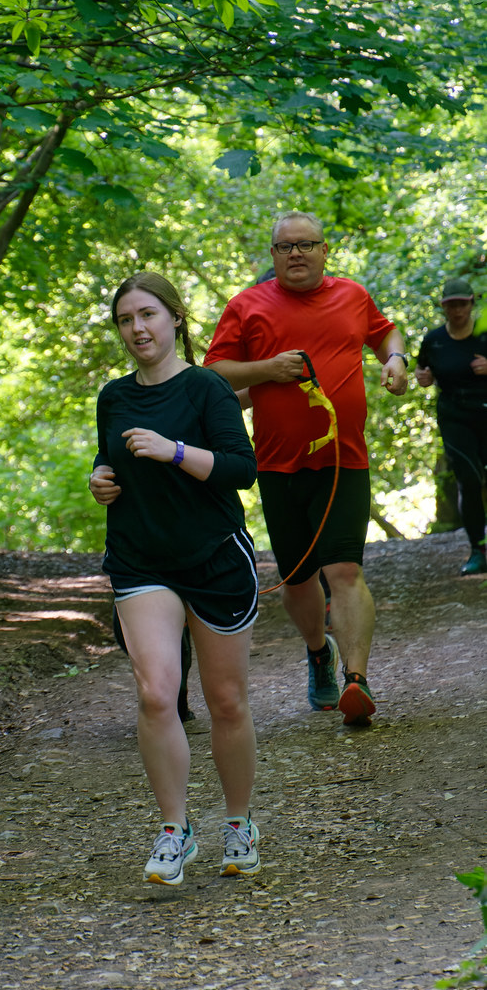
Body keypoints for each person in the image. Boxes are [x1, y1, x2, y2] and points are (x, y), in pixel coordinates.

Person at [89, 271, 261, 886]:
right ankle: (174, 828)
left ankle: (238, 821)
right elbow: (107, 460)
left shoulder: (207, 387)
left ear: (175, 319)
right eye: (126, 319)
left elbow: (242, 469)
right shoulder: (113, 395)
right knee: (157, 694)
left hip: (214, 557)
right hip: (140, 560)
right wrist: (101, 479)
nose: (137, 328)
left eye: (148, 315)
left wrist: (175, 452)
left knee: (225, 700)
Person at [205, 210, 409, 726]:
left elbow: (387, 334)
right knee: (298, 582)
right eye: (285, 247)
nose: (296, 253)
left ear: (324, 250)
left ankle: (355, 679)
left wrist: (395, 360)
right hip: (276, 464)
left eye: (306, 244)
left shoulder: (352, 296)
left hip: (344, 459)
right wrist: (268, 369)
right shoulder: (246, 306)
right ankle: (319, 652)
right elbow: (214, 376)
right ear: (272, 256)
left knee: (343, 569)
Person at [415, 278, 487, 575]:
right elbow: (421, 368)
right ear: (443, 307)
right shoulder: (434, 340)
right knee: (469, 480)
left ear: (472, 302)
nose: (457, 310)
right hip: (455, 416)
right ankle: (478, 549)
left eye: (462, 303)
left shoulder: (484, 334)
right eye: (451, 305)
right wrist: (423, 378)